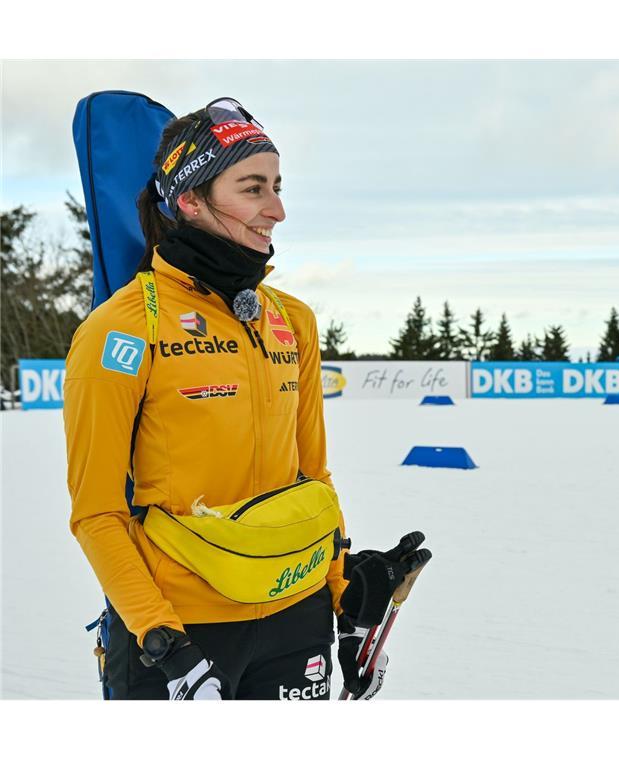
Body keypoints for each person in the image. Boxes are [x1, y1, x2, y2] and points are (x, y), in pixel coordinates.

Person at [64, 98, 427, 700]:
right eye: (254, 188)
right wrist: (164, 646)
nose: (278, 210)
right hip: (182, 632)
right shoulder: (121, 329)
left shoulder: (294, 321)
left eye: (278, 187)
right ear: (189, 199)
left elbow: (313, 476)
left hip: (295, 622)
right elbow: (97, 512)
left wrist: (343, 600)